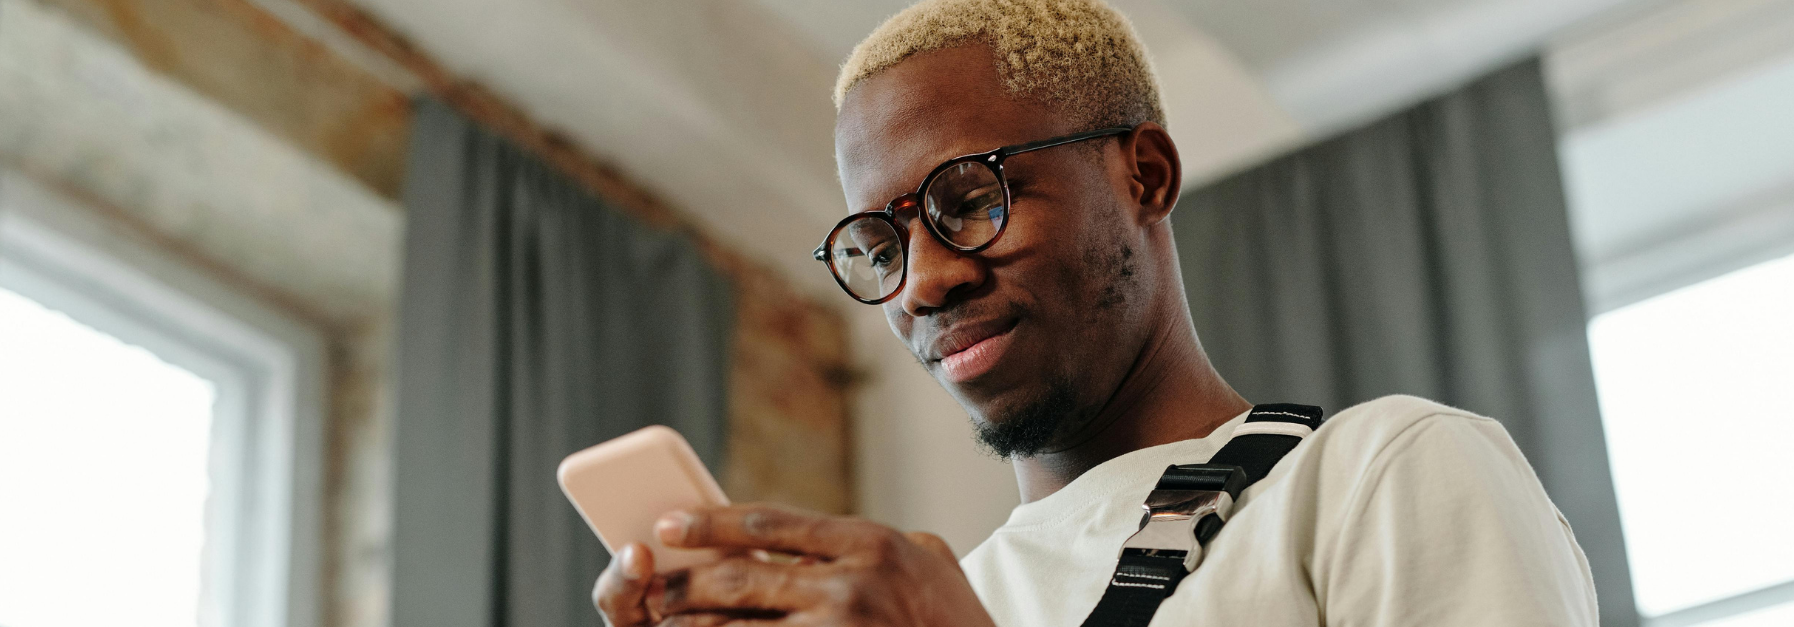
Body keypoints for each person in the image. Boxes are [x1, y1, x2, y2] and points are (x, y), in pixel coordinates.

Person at [593, 0, 1600, 625]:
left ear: (1144, 176)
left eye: (971, 202)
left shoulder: (1382, 477)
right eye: (883, 245)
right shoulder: (933, 601)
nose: (922, 284)